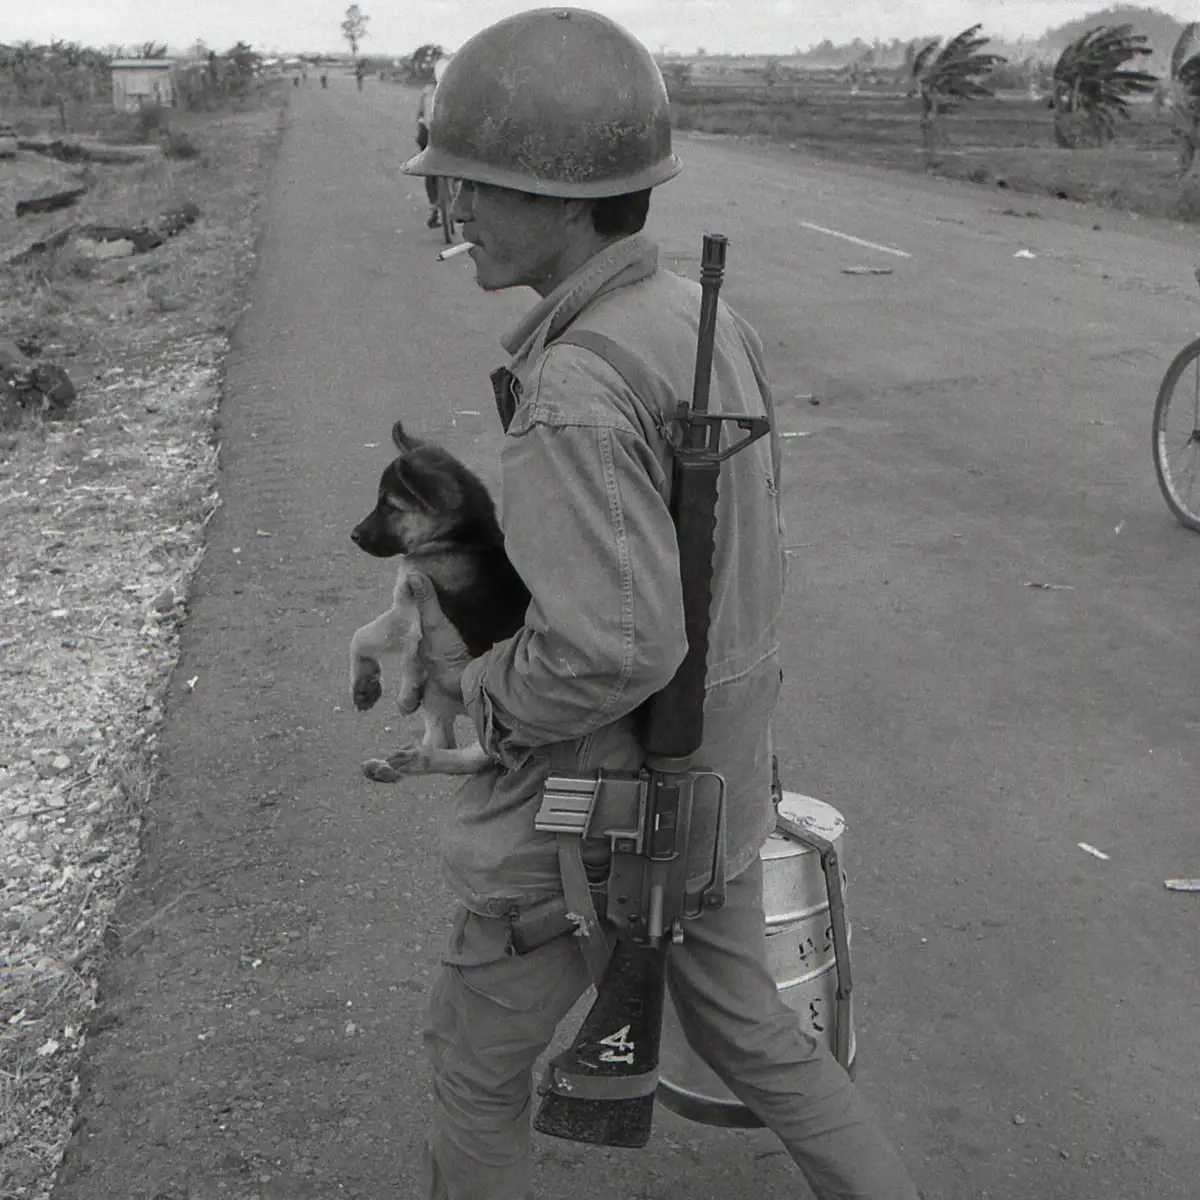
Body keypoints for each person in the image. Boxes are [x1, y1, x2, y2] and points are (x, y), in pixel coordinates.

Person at [400, 9, 922, 1200]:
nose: (455, 212)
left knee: (473, 1067)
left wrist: (478, 696)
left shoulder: (578, 382)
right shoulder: (693, 318)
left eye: (478, 183)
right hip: (718, 785)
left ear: (572, 199)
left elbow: (614, 643)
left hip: (595, 817)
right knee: (759, 1044)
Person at [415, 55, 450, 229]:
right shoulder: (455, 91)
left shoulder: (427, 91)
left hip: (428, 134)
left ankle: (434, 209)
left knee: (430, 171)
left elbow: (420, 115)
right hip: (443, 135)